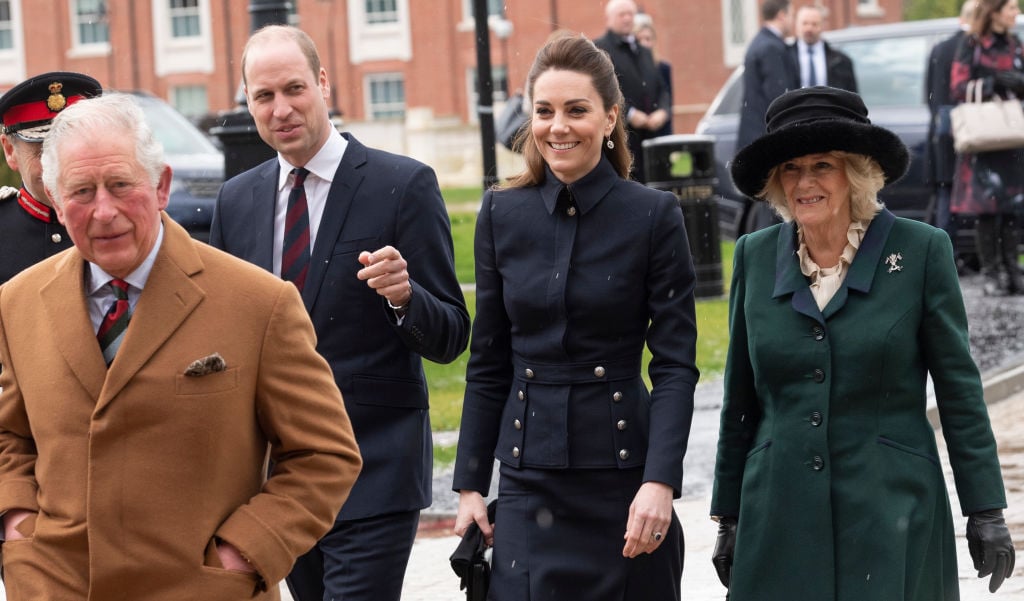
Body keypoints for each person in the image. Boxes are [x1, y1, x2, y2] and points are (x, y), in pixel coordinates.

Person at [0, 93, 363, 600]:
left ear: (161, 186)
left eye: (121, 185)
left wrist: (245, 553)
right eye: (81, 191)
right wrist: (18, 528)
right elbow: (9, 438)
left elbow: (324, 456)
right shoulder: (16, 305)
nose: (103, 211)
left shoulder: (259, 303)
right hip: (56, 587)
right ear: (57, 205)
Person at [711, 86, 1015, 599]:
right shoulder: (755, 256)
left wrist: (985, 509)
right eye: (790, 169)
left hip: (891, 507)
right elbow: (739, 400)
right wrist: (728, 515)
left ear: (856, 172)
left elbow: (960, 391)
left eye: (822, 165)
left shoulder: (920, 251)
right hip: (779, 509)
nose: (804, 182)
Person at [209, 25, 470, 601]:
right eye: (263, 96)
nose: (281, 110)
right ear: (247, 102)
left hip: (375, 469)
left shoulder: (403, 185)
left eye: (294, 89)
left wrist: (406, 297)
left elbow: (452, 334)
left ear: (324, 82)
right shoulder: (237, 200)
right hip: (280, 480)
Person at [453, 32, 699, 601]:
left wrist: (659, 482)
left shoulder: (653, 216)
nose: (557, 127)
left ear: (610, 118)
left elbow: (676, 365)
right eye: (544, 111)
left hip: (623, 482)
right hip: (524, 482)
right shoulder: (499, 214)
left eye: (576, 110)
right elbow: (488, 361)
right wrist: (469, 486)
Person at [950, 0, 1024, 295]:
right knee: (987, 211)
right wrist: (992, 83)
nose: (1016, 14)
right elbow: (957, 88)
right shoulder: (973, 44)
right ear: (995, 12)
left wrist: (1018, 82)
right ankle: (991, 274)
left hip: (1012, 137)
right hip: (984, 139)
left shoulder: (1016, 44)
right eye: (1012, 8)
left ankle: (1012, 270)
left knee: (1010, 210)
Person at [0, 71, 101, 284]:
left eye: (72, 146)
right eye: (43, 150)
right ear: (10, 151)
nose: (61, 165)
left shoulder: (118, 221)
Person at [594, 0, 671, 183]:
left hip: (652, 136)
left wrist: (662, 111)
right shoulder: (600, 49)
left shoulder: (644, 51)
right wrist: (629, 113)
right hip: (622, 136)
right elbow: (600, 89)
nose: (627, 19)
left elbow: (662, 88)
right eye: (622, 15)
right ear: (609, 18)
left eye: (631, 14)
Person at [926, 0, 975, 257]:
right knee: (983, 195)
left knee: (946, 191)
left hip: (944, 130)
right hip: (977, 131)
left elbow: (928, 94)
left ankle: (947, 254)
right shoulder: (976, 47)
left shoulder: (940, 48)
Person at [736, 0, 797, 152]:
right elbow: (778, 96)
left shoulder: (760, 42)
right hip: (766, 135)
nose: (792, 21)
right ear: (782, 15)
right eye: (791, 15)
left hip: (755, 133)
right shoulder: (771, 47)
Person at [789, 5, 858, 93]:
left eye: (814, 24)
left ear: (823, 25)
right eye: (805, 23)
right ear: (796, 25)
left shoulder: (841, 61)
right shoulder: (784, 57)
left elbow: (852, 98)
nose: (809, 28)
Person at [634, 17, 673, 137]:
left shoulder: (663, 67)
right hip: (636, 131)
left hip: (660, 129)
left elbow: (667, 96)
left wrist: (662, 113)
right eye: (640, 39)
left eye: (648, 39)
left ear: (654, 41)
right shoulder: (630, 68)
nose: (644, 43)